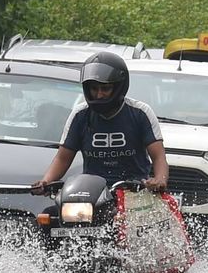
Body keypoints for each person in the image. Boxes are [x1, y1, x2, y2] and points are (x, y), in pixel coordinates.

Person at [32, 52, 168, 193]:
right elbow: (63, 158)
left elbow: (158, 157)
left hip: (135, 193)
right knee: (50, 214)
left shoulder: (140, 113)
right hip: (91, 193)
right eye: (94, 89)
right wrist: (46, 181)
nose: (99, 94)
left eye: (105, 89)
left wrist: (160, 179)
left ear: (119, 87)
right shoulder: (80, 115)